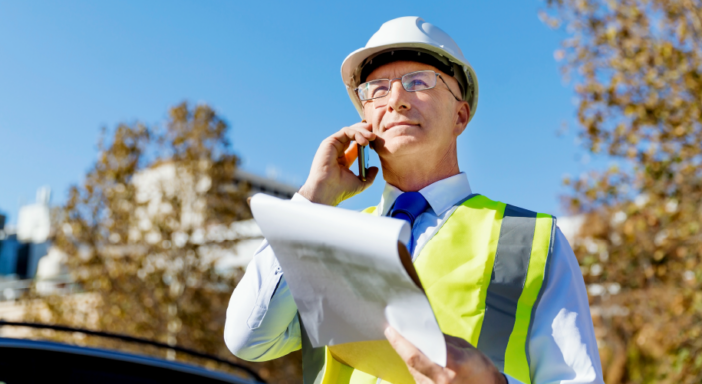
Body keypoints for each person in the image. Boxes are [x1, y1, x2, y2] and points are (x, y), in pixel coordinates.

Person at [224, 16, 603, 384]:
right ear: (365, 121)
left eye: (419, 81)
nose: (396, 101)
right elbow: (248, 339)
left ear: (461, 114)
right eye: (377, 89)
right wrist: (313, 201)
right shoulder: (328, 238)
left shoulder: (530, 240)